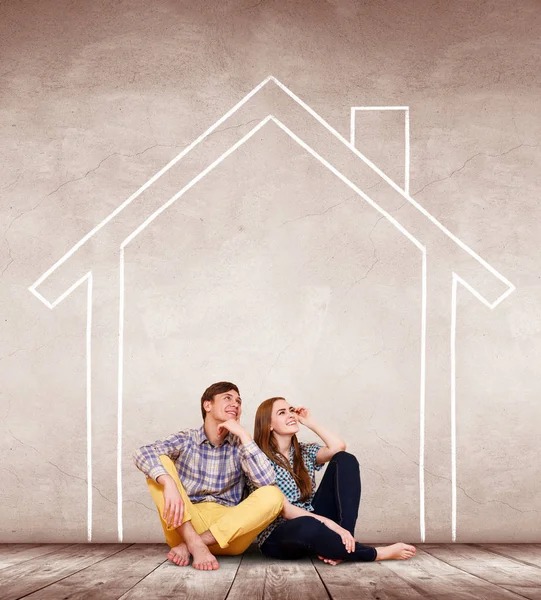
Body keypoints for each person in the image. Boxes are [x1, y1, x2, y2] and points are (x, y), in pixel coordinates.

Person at [133, 382, 284, 570]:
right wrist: (169, 483)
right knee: (158, 465)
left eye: (238, 401)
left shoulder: (240, 445)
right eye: (227, 398)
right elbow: (143, 452)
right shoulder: (187, 438)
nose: (236, 404)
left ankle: (191, 545)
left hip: (229, 535)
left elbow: (266, 481)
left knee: (273, 494)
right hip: (185, 522)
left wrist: (244, 436)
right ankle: (192, 541)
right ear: (208, 405)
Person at [253, 396, 416, 564]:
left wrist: (310, 422)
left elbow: (339, 447)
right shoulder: (257, 459)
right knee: (308, 524)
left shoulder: (303, 451)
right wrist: (332, 525)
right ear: (268, 425)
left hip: (315, 522)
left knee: (345, 459)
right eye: (282, 412)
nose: (291, 415)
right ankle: (374, 553)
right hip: (281, 534)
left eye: (291, 410)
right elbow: (286, 511)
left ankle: (344, 545)